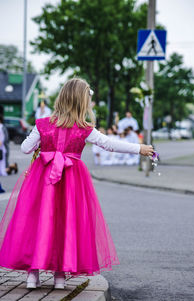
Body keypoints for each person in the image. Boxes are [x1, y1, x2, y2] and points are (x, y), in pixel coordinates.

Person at [0, 78, 154, 289]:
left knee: (37, 222)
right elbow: (108, 144)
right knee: (66, 223)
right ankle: (60, 276)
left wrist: (42, 144)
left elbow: (26, 148)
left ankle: (32, 275)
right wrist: (139, 149)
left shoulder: (42, 124)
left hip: (42, 181)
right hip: (71, 182)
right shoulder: (84, 129)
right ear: (82, 103)